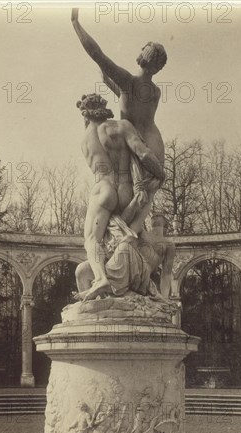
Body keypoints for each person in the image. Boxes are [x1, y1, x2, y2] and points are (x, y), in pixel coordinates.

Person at [75, 93, 163, 301]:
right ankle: (129, 283)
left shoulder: (86, 137)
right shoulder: (122, 126)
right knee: (128, 236)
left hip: (103, 188)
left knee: (91, 239)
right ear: (105, 109)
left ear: (86, 115)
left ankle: (101, 278)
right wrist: (160, 173)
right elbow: (143, 154)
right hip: (126, 189)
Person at [71, 8, 167, 167]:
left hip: (135, 148)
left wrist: (76, 24)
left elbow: (97, 55)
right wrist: (110, 83)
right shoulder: (156, 92)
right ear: (158, 67)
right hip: (156, 148)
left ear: (143, 54)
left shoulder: (127, 81)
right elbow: (133, 101)